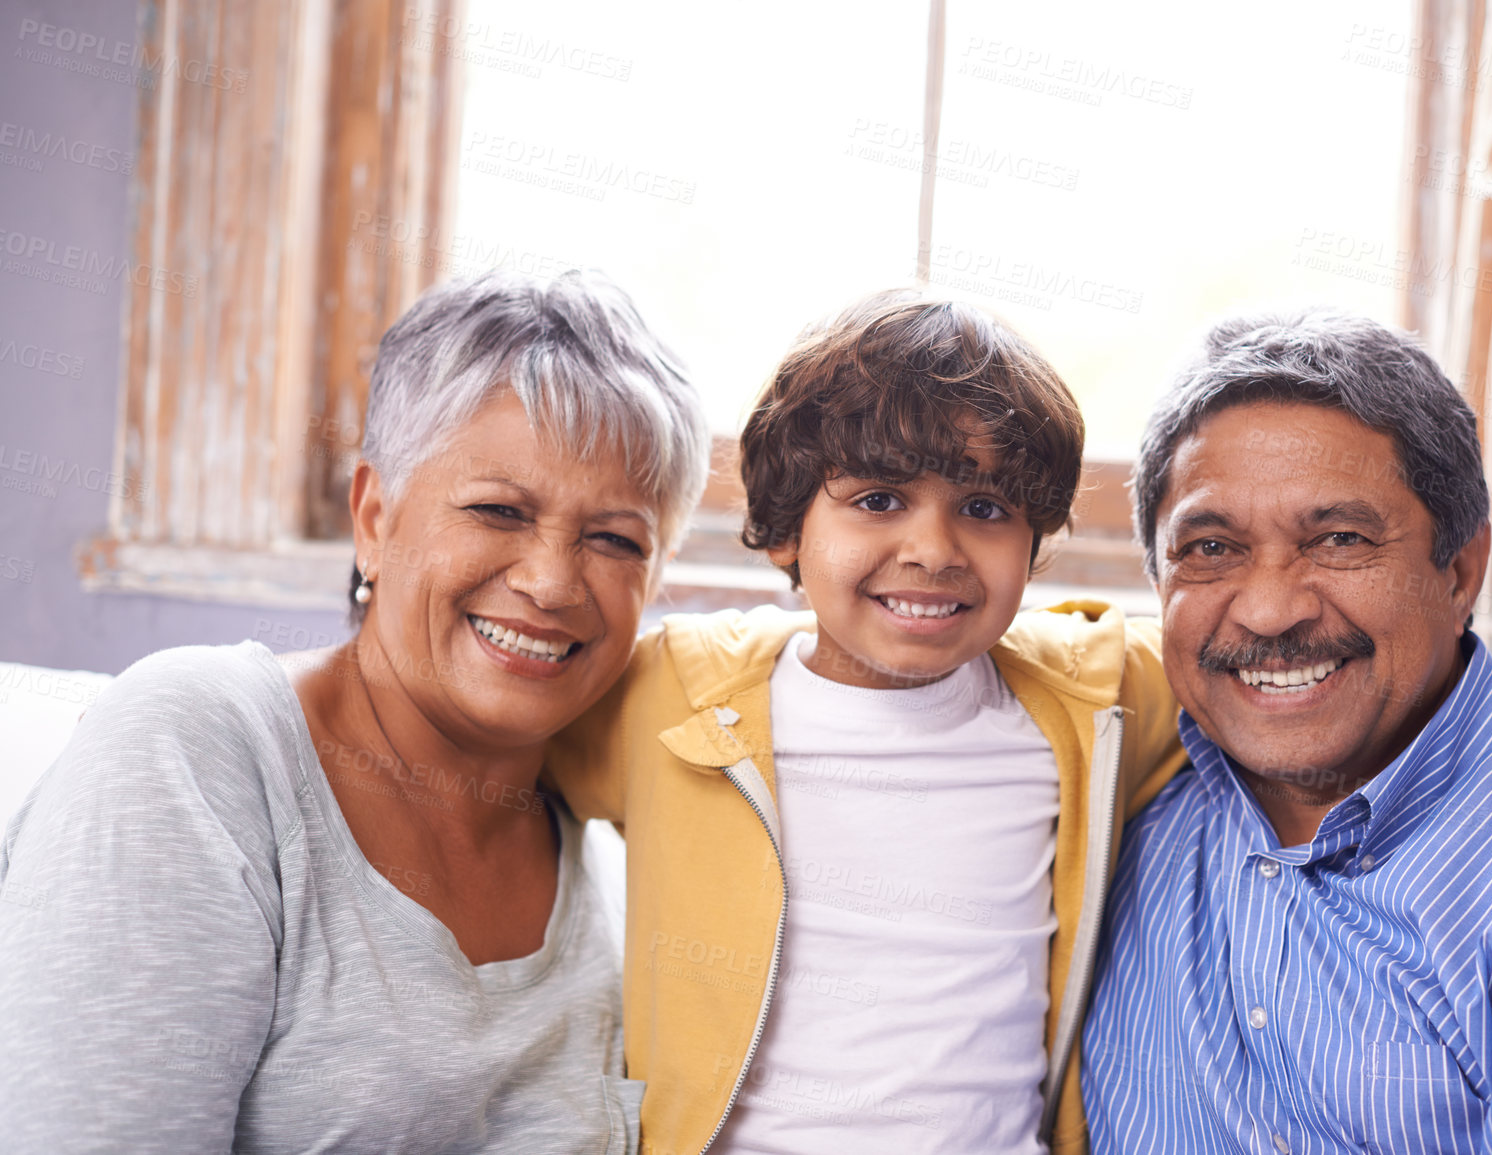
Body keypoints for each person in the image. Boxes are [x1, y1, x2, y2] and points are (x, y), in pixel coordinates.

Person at [0, 269, 709, 1151]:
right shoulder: (193, 744)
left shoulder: (613, 858)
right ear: (375, 516)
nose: (553, 581)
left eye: (614, 539)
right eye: (497, 510)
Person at [546, 291, 1189, 1155]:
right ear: (783, 530)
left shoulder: (1096, 698)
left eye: (987, 507)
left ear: (1034, 546)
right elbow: (489, 746)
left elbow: (1239, 656)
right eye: (879, 499)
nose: (933, 549)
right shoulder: (669, 692)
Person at [1080, 308, 1492, 1153]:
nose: (1271, 608)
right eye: (1209, 547)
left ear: (1460, 570)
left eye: (1340, 539)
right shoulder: (1114, 799)